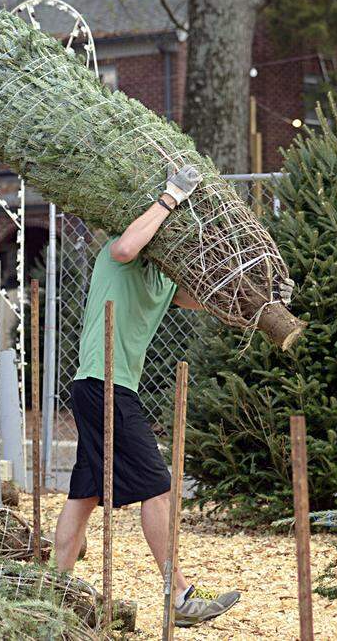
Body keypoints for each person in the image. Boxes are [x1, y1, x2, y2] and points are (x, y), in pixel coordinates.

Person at [52, 165, 241, 628]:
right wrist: (171, 195)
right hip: (103, 383)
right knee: (158, 487)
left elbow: (209, 299)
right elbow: (126, 245)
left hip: (112, 385)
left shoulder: (163, 279)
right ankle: (180, 597)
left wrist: (257, 297)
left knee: (85, 492)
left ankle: (51, 589)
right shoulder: (121, 255)